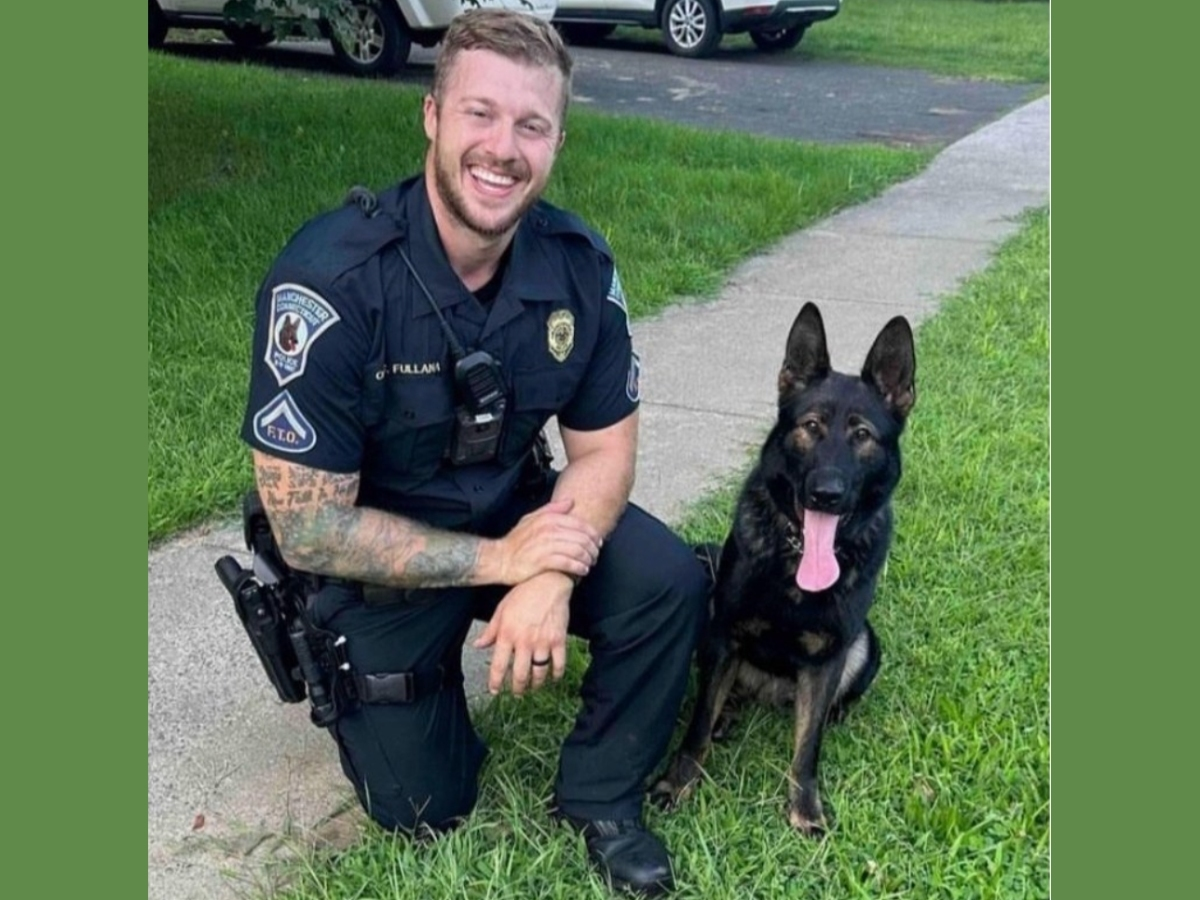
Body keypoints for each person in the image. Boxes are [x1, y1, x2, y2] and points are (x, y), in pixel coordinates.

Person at [239, 9, 709, 896]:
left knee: (668, 580)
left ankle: (601, 795)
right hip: (377, 565)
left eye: (531, 125)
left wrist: (550, 574)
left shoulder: (576, 265)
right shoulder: (329, 283)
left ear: (558, 140)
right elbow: (308, 529)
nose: (503, 148)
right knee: (424, 804)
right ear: (432, 117)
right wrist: (503, 560)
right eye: (480, 115)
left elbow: (605, 452)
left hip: (508, 508)